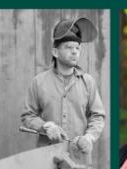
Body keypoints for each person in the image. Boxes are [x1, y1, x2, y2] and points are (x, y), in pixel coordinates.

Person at [21, 17, 105, 154]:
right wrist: (46, 126)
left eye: (77, 48)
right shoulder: (38, 82)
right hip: (46, 155)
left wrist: (89, 138)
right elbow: (28, 116)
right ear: (55, 52)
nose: (74, 52)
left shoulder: (88, 82)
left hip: (77, 156)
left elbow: (98, 116)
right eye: (69, 47)